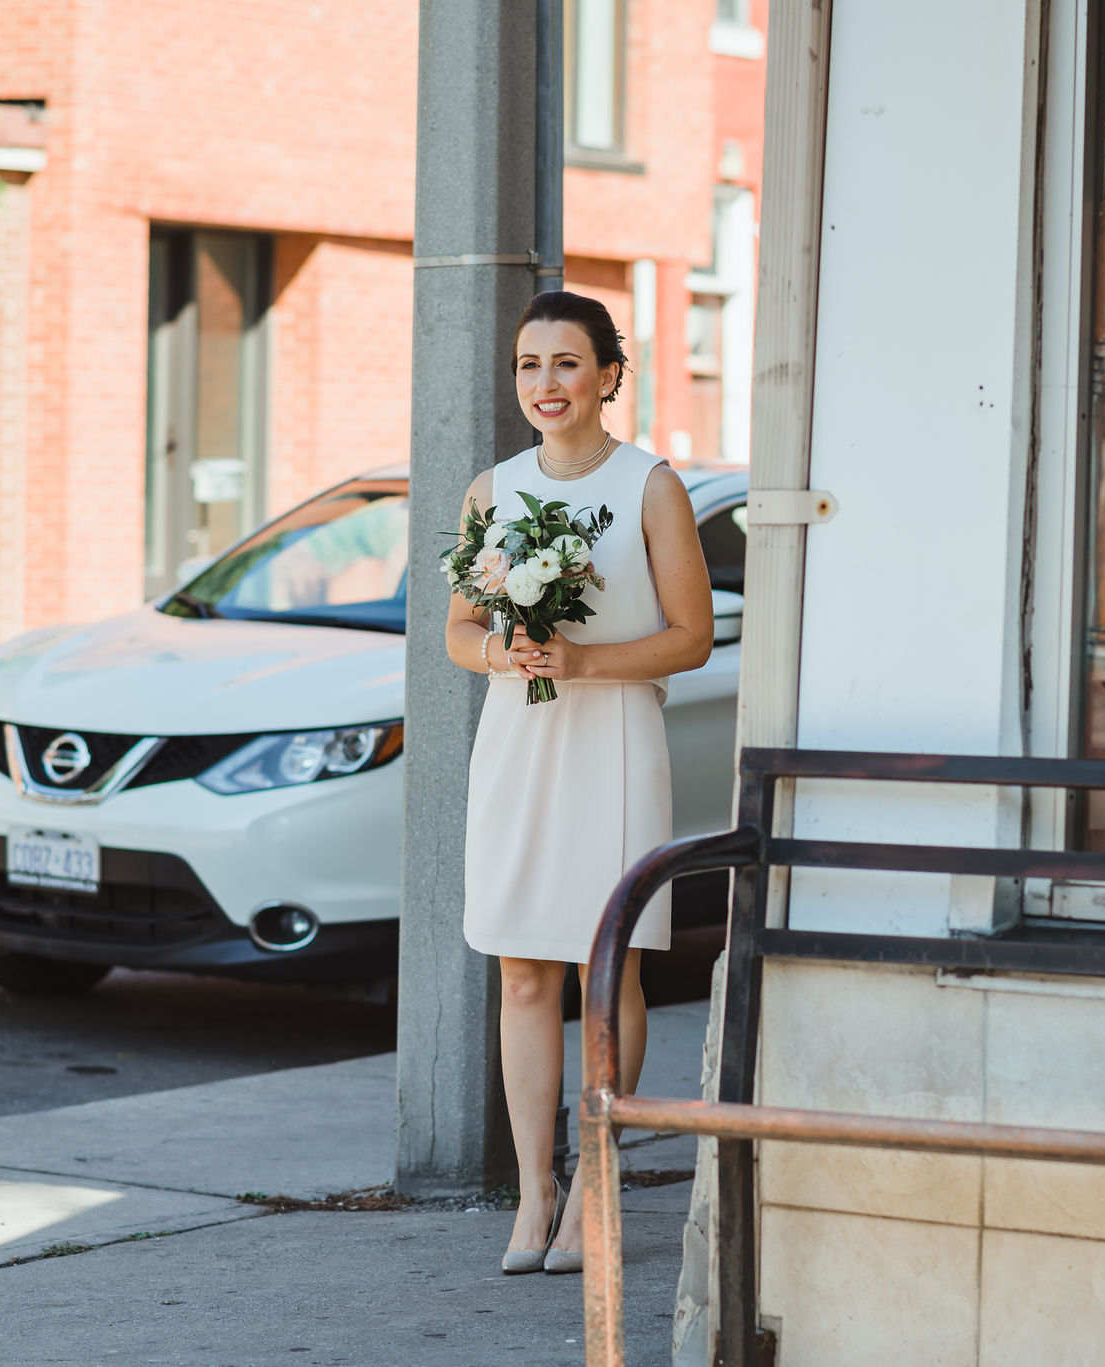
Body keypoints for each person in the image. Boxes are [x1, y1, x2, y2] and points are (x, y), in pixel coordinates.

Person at [443, 290, 715, 1273]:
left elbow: (690, 635)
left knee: (610, 969)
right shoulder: (491, 490)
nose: (545, 384)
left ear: (607, 373)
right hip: (518, 746)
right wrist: (504, 657)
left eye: (565, 363)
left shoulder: (651, 485)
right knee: (520, 967)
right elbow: (458, 631)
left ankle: (593, 1184)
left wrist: (580, 662)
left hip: (614, 743)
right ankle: (533, 1192)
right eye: (528, 364)